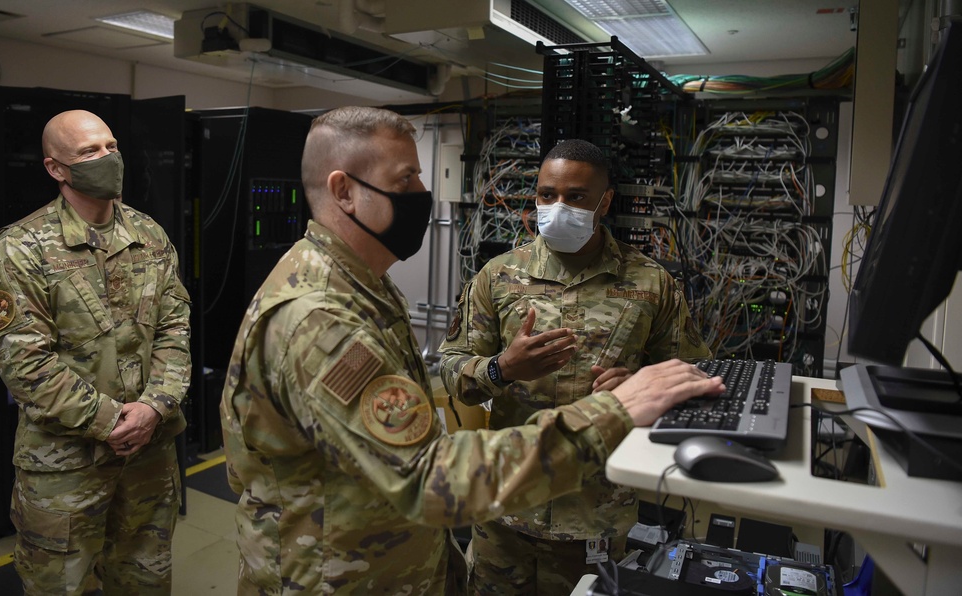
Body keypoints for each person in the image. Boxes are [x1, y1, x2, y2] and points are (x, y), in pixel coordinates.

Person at [219, 106, 724, 594]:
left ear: (604, 201)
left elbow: (688, 366)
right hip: (347, 573)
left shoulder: (367, 288)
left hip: (564, 514)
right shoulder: (322, 318)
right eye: (406, 180)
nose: (424, 192)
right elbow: (427, 474)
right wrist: (602, 407)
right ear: (344, 191)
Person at [438, 138, 712, 594]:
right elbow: (451, 368)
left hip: (595, 515)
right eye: (547, 194)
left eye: (575, 196)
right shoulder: (499, 276)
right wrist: (500, 369)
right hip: (505, 506)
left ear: (605, 201)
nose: (557, 206)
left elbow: (692, 377)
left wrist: (641, 385)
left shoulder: (650, 283)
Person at [0, 109, 192, 595]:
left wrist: (155, 406)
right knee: (60, 586)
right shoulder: (21, 248)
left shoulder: (149, 235)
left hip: (148, 457)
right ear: (56, 169)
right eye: (90, 152)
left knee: (146, 578)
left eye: (111, 147)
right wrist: (113, 421)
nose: (107, 158)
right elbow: (25, 363)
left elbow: (175, 330)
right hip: (66, 465)